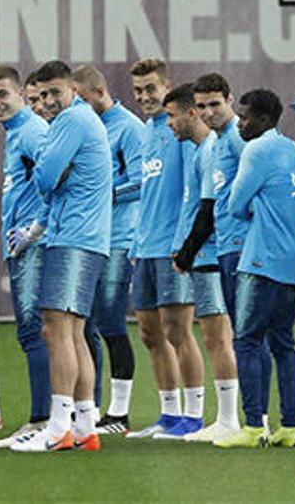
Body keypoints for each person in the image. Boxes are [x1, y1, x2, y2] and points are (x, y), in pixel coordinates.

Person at [10, 61, 112, 453]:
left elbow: (45, 176)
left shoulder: (72, 121)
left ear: (73, 90)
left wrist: (51, 169)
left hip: (75, 238)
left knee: (55, 329)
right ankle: (85, 427)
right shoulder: (80, 120)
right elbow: (55, 180)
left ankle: (58, 427)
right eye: (43, 94)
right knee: (73, 333)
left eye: (55, 92)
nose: (49, 101)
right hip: (84, 238)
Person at [214, 89, 295, 450]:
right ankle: (290, 427)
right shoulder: (292, 148)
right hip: (291, 257)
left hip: (260, 256)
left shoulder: (257, 149)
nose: (240, 122)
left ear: (265, 120)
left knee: (247, 339)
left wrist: (255, 206)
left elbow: (236, 205)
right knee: (284, 343)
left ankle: (253, 427)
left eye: (247, 117)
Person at [124, 59, 200, 440]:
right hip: (145, 246)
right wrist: (138, 241)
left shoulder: (179, 129)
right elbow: (146, 192)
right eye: (138, 91)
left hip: (172, 246)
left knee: (179, 331)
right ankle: (169, 415)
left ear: (166, 86)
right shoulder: (146, 132)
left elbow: (191, 189)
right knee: (150, 333)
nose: (144, 97)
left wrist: (183, 244)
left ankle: (196, 415)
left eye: (150, 89)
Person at [194, 72, 272, 431]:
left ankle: (261, 418)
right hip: (227, 246)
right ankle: (241, 419)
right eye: (201, 106)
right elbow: (214, 201)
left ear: (229, 99)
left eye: (214, 104)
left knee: (251, 334)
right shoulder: (217, 143)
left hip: (246, 248)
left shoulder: (242, 141)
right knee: (245, 332)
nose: (208, 112)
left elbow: (262, 190)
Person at [163, 84, 241, 443]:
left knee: (217, 337)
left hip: (211, 254)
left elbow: (209, 208)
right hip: (204, 254)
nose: (169, 124)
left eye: (172, 116)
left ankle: (229, 419)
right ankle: (226, 418)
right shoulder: (200, 151)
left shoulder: (212, 149)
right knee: (214, 336)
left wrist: (189, 251)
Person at [0, 65, 53, 448]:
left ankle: (43, 420)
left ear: (23, 94)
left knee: (34, 328)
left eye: (3, 95)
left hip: (35, 245)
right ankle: (64, 417)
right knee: (44, 330)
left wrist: (35, 231)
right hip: (23, 243)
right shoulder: (16, 134)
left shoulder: (32, 131)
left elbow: (57, 179)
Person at [73, 65, 145, 434]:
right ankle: (88, 405)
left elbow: (143, 181)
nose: (80, 107)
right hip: (91, 236)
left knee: (112, 322)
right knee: (84, 324)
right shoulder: (84, 125)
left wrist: (105, 192)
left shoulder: (129, 127)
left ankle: (120, 412)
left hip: (120, 237)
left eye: (83, 99)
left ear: (100, 91)